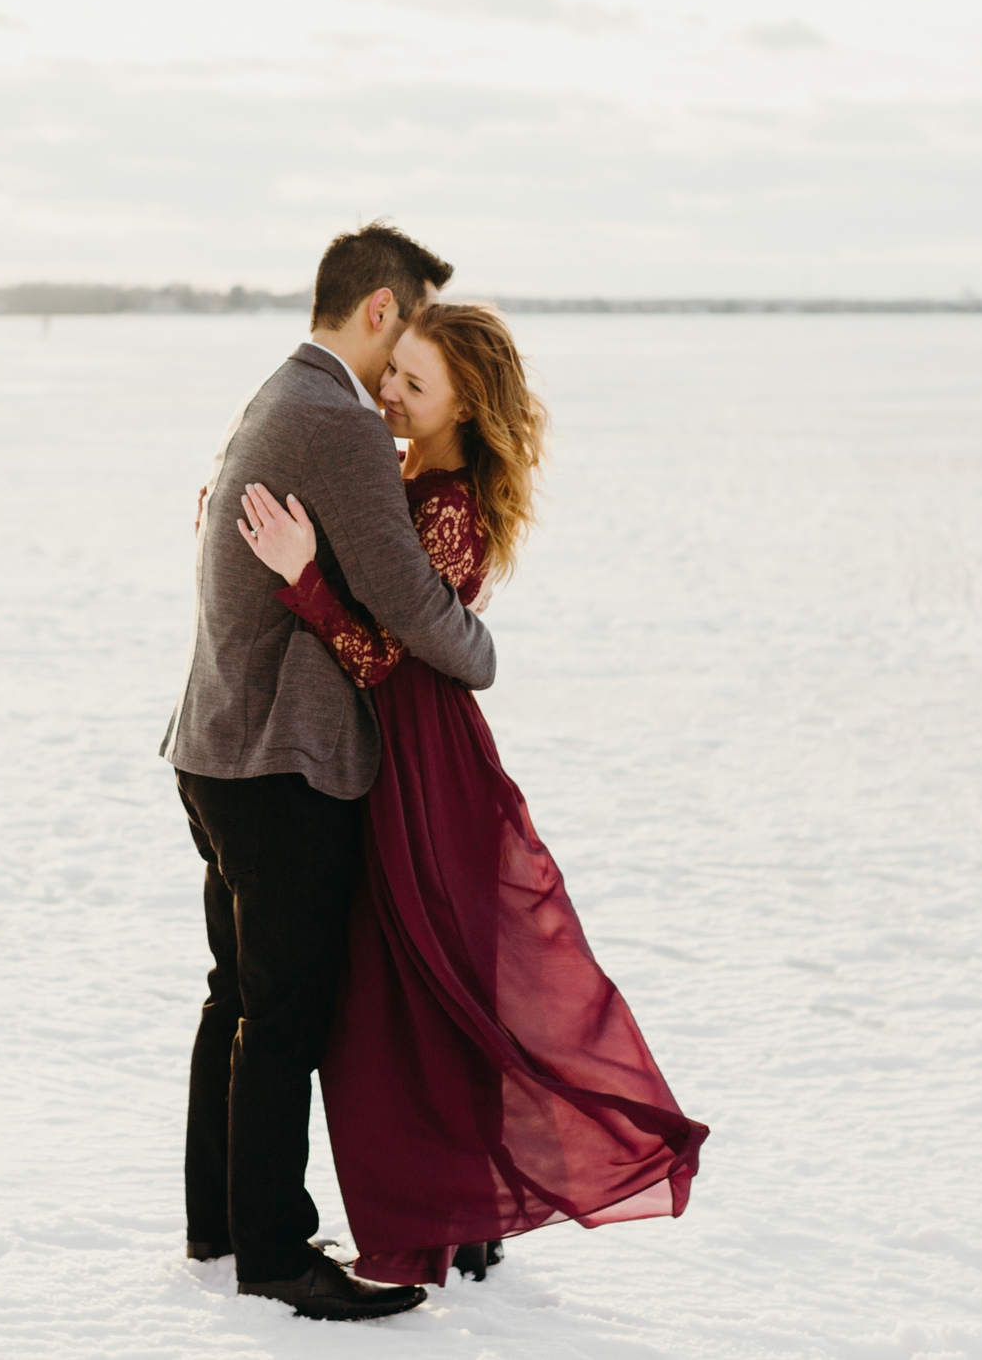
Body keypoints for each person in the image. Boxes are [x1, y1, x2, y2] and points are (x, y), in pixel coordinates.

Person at [236, 302, 708, 1288]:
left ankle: (446, 1217)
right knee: (424, 984)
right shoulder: (407, 476)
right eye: (392, 369)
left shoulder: (444, 503)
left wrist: (301, 576)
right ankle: (464, 1210)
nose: (389, 391)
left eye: (414, 380)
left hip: (423, 761)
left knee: (419, 983)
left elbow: (380, 658)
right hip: (400, 753)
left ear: (466, 404)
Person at [161, 221, 493, 1321]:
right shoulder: (339, 424)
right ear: (385, 310)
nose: (396, 382)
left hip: (213, 748)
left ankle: (221, 1222)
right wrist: (480, 650)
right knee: (287, 1013)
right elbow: (408, 598)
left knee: (238, 998)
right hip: (279, 762)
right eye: (405, 342)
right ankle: (276, 1250)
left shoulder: (274, 394)